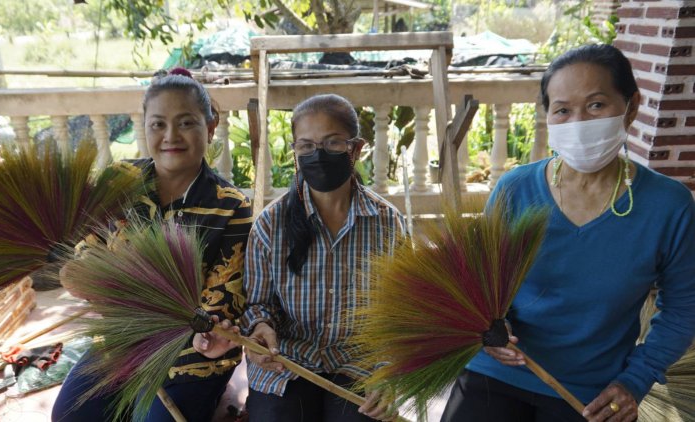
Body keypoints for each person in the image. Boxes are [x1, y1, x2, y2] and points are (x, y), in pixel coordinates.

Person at [441, 44, 695, 422]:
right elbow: (479, 282)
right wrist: (488, 327)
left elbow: (683, 309)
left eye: (595, 105)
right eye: (562, 110)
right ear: (548, 117)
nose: (578, 122)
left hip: (590, 388)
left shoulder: (668, 206)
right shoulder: (516, 189)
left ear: (632, 107)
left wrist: (636, 380)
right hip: (496, 369)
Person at [52, 68, 252, 422]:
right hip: (123, 340)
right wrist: (82, 274)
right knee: (71, 415)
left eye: (186, 122)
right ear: (145, 127)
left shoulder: (230, 206)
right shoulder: (119, 181)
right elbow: (87, 249)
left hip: (193, 350)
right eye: (158, 124)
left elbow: (223, 301)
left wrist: (208, 338)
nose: (170, 136)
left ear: (210, 125)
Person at [240, 94, 406, 421]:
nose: (317, 155)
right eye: (306, 146)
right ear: (296, 152)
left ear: (355, 149)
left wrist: (388, 374)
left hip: (359, 364)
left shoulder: (387, 224)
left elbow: (400, 312)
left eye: (332, 144)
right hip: (286, 362)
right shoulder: (270, 225)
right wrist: (260, 327)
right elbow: (256, 304)